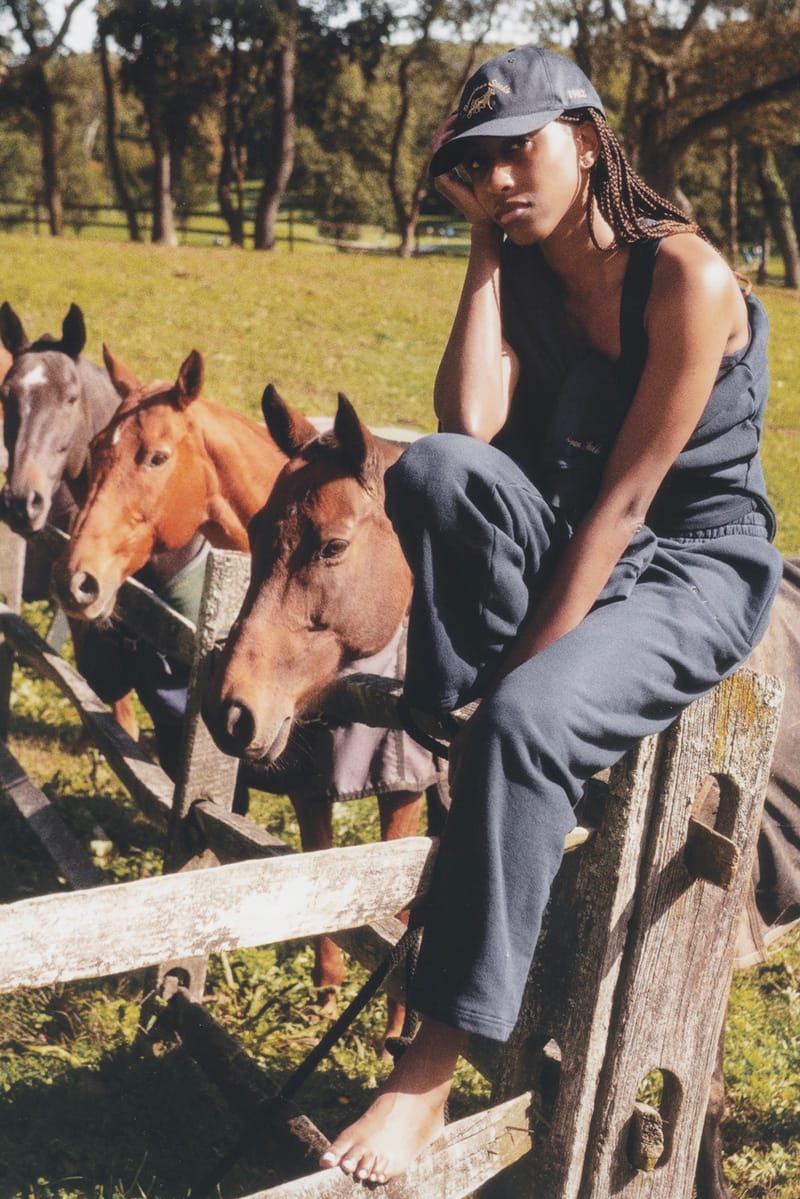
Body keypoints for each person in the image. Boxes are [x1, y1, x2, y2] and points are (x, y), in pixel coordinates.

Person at [319, 44, 783, 1184]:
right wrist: (482, 250)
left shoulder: (686, 276)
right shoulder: (518, 263)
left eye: (516, 150)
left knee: (525, 719)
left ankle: (429, 1069)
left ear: (583, 131)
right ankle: (479, 748)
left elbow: (629, 502)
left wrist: (509, 688)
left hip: (689, 562)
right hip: (577, 533)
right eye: (471, 169)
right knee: (429, 471)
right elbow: (467, 429)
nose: (497, 182)